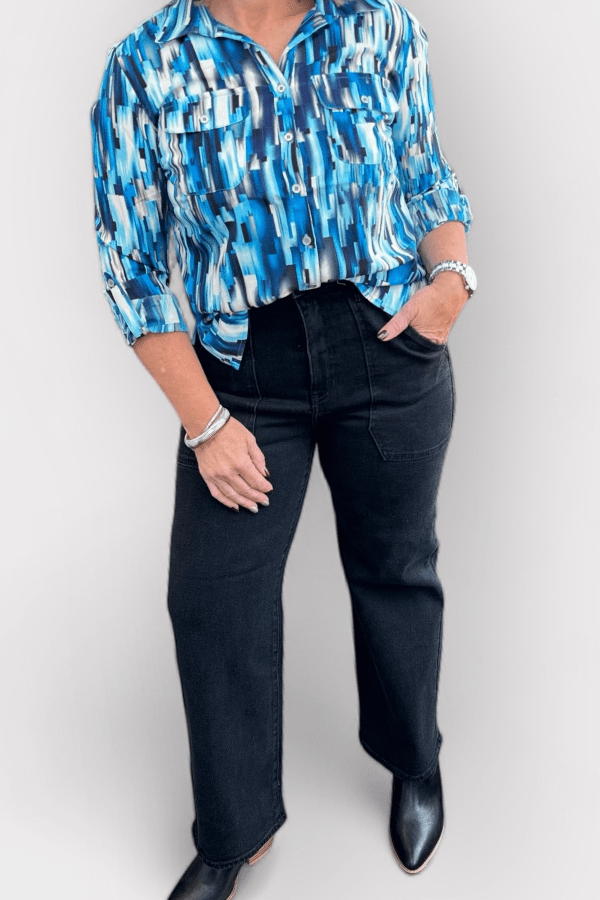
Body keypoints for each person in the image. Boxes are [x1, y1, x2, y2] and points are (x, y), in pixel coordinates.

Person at [91, 0, 475, 896]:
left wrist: (451, 279)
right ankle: (235, 831)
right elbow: (133, 268)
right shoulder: (145, 64)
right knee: (214, 599)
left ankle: (412, 756)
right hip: (244, 369)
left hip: (385, 344)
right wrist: (207, 423)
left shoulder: (380, 26)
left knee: (395, 565)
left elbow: (426, 176)